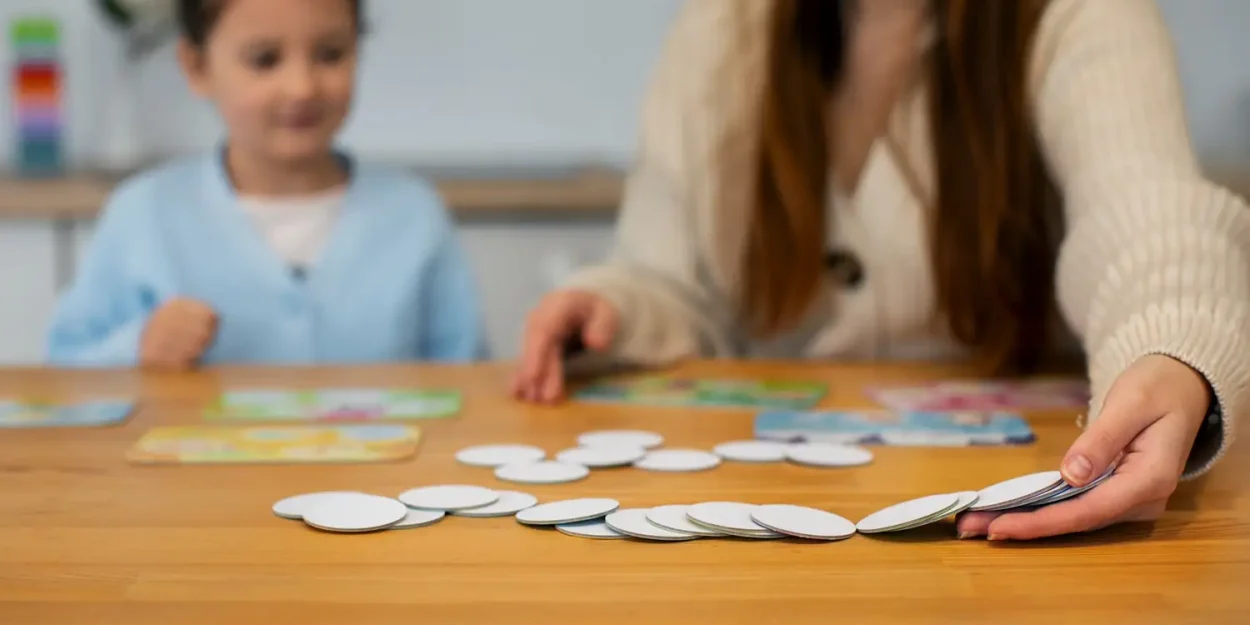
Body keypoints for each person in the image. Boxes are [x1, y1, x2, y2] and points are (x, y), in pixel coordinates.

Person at [513, 0, 1250, 540]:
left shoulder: (1081, 17)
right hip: (773, 499)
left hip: (1006, 504)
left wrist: (1172, 349)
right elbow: (668, 278)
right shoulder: (721, 28)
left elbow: (1148, 215)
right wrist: (614, 306)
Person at [48, 0, 485, 368]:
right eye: (264, 60)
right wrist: (138, 347)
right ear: (197, 67)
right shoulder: (143, 213)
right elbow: (64, 369)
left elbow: (468, 374)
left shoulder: (414, 213)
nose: (302, 88)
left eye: (331, 54)